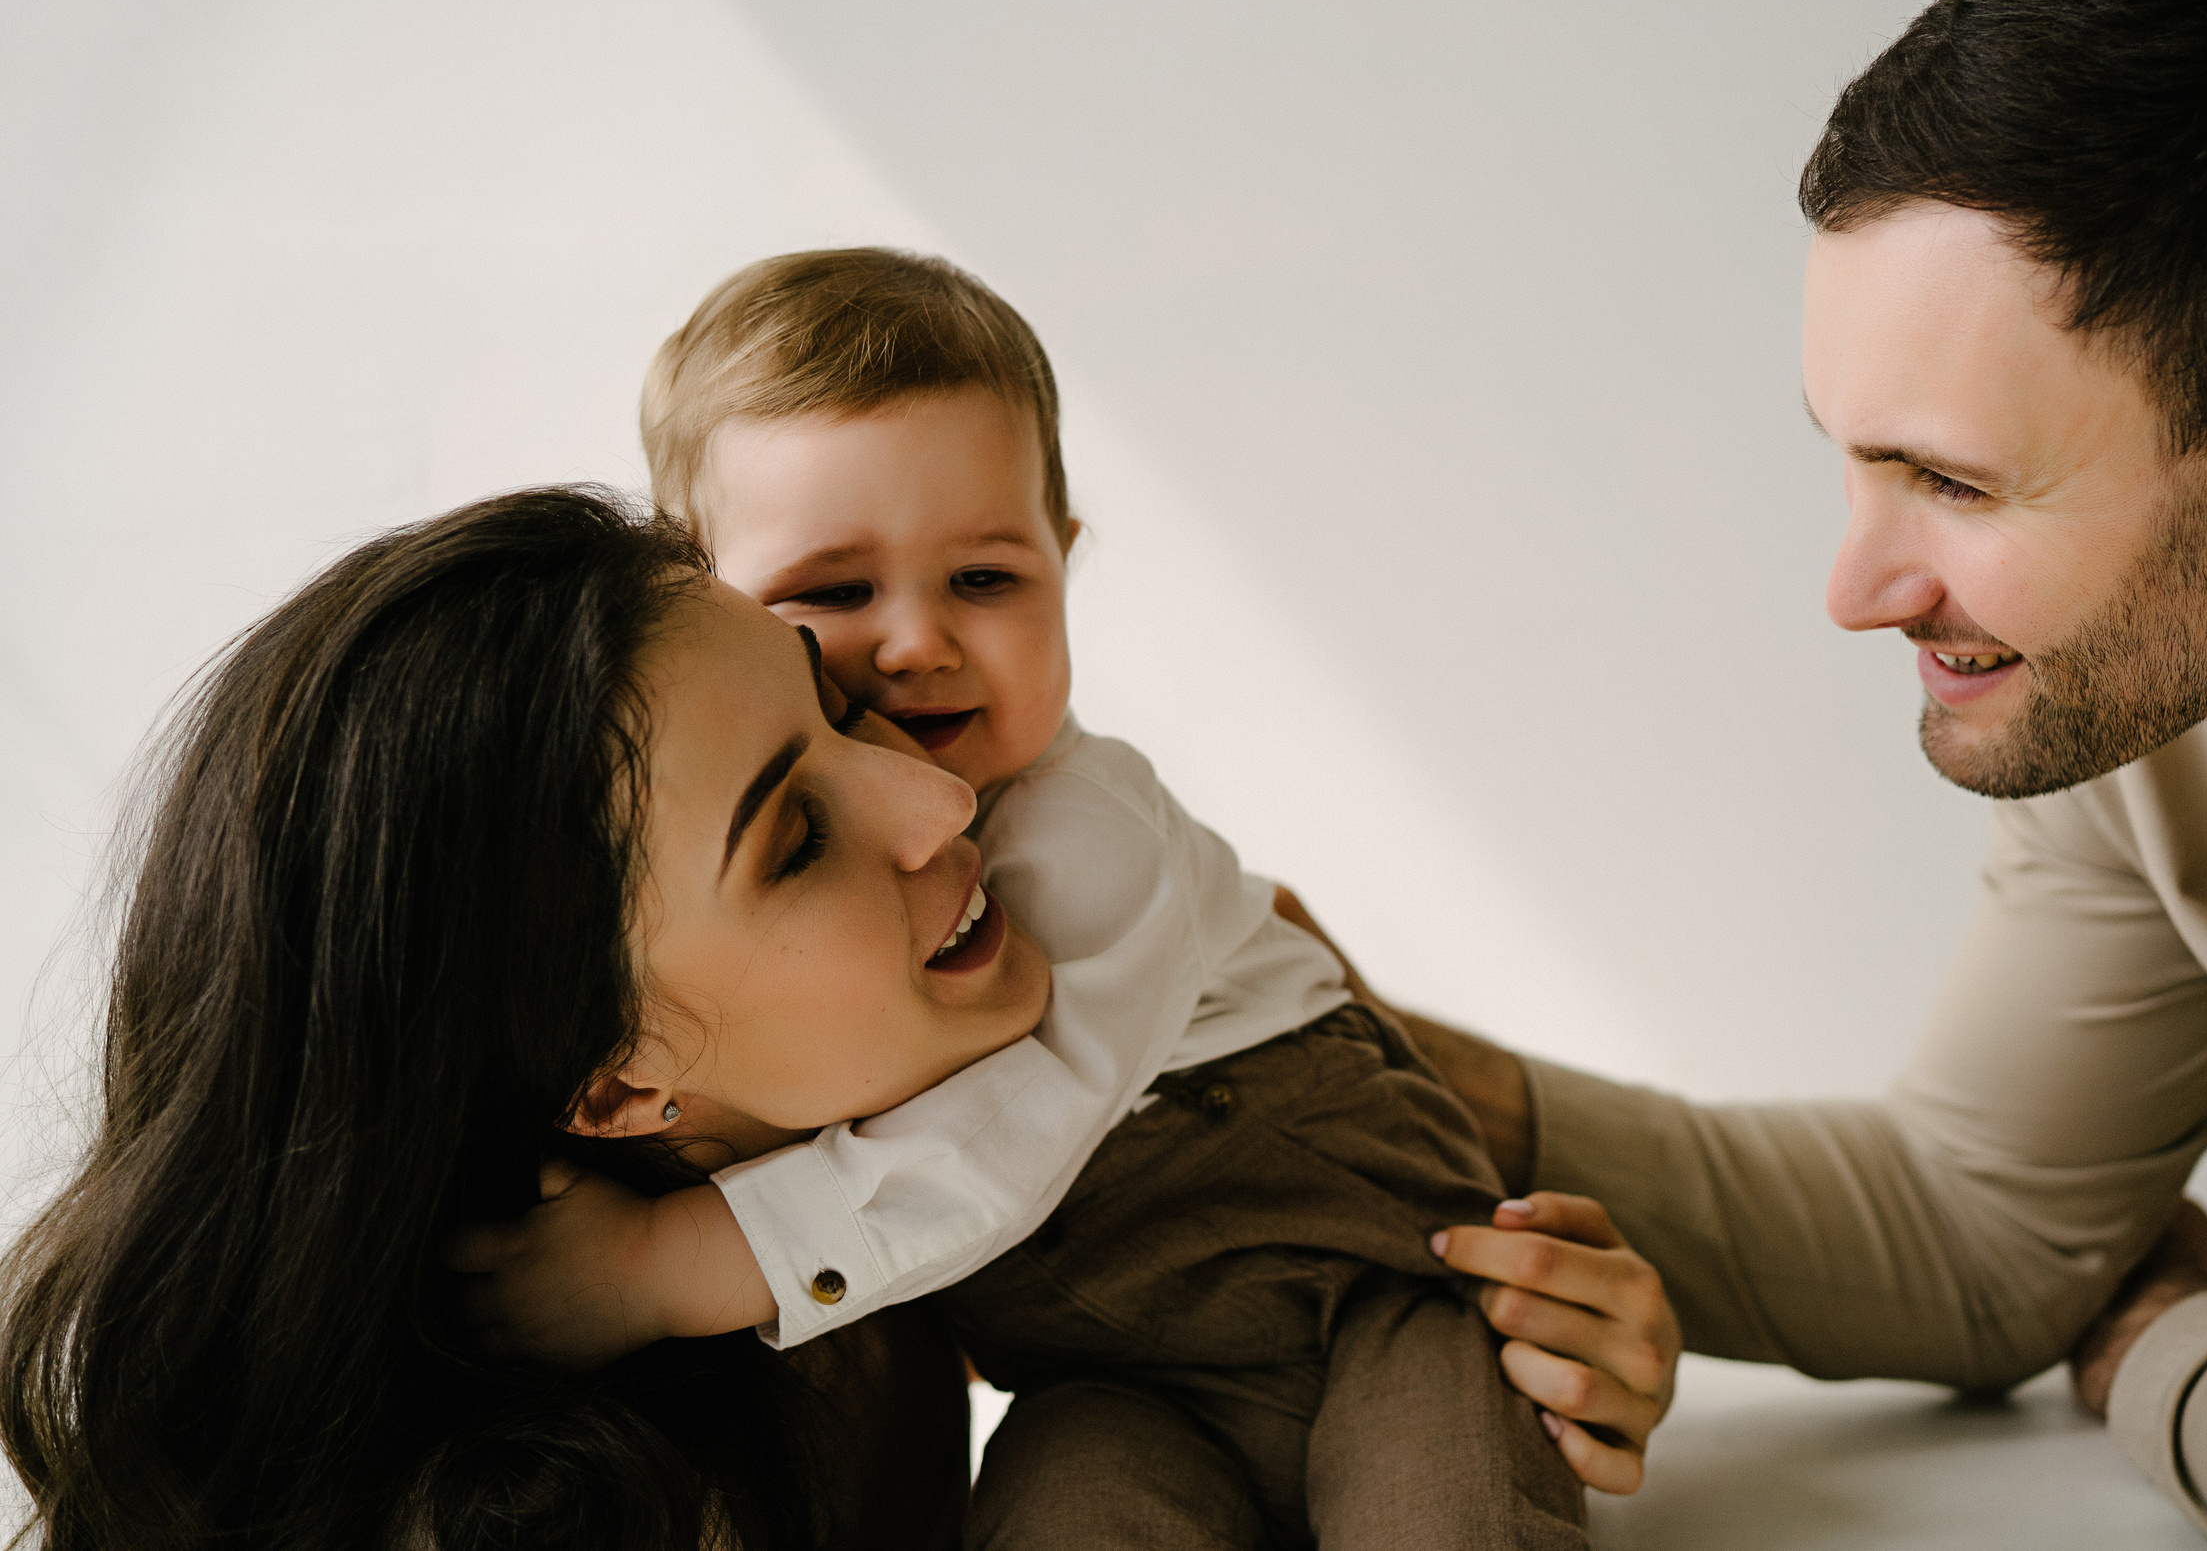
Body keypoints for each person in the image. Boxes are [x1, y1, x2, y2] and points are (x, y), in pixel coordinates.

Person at [1429, 0, 2207, 1551]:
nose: (1858, 586)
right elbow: (1981, 1229)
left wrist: (2150, 1336)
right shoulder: (2169, 654)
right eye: (1857, 459)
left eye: (1953, 481)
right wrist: (1415, 1083)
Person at [452, 250, 1589, 1549]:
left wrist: (654, 1269)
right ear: (702, 600)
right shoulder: (665, 941)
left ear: (1066, 559)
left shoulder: (1092, 833)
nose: (920, 640)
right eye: (834, 590)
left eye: (985, 578)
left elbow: (1003, 1137)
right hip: (1118, 1376)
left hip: (1376, 1290)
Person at [0, 489, 976, 1550]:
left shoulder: (859, 1238)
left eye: (835, 703)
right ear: (614, 1089)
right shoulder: (572, 1516)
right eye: (794, 842)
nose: (944, 801)